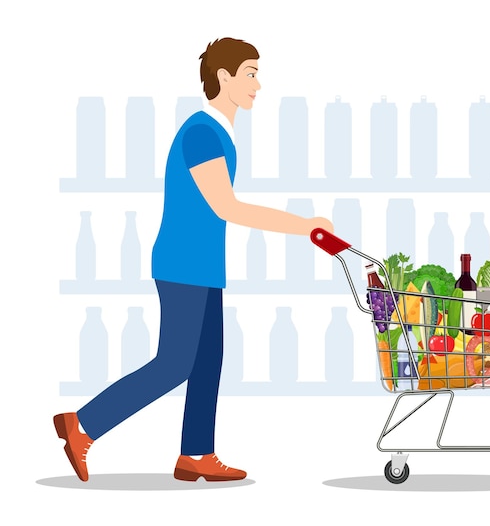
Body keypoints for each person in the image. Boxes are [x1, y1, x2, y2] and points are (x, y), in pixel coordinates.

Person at [54, 37, 334, 482]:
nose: (259, 84)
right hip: (183, 265)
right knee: (174, 363)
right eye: (250, 72)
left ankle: (196, 454)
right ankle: (83, 424)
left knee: (208, 361)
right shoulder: (202, 132)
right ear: (223, 77)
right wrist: (305, 226)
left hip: (204, 266)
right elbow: (228, 207)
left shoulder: (217, 130)